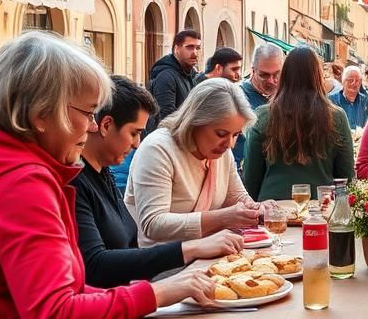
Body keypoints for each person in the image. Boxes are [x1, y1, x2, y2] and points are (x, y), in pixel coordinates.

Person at [0, 31, 216, 318]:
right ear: (41, 115)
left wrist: (157, 292)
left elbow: (57, 295)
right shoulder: (19, 183)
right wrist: (160, 292)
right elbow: (55, 310)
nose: (92, 126)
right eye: (88, 112)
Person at [75, 76, 243, 288]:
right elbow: (95, 265)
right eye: (134, 133)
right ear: (105, 125)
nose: (137, 144)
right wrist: (192, 249)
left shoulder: (102, 172)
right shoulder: (76, 180)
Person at [126, 78, 272, 247]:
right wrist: (222, 218)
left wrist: (257, 209)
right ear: (195, 122)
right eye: (221, 133)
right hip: (163, 264)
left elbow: (237, 198)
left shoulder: (221, 153)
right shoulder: (158, 149)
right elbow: (153, 223)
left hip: (209, 252)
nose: (229, 144)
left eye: (235, 135)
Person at [243, 46, 355, 201]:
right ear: (318, 75)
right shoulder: (336, 116)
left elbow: (251, 177)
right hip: (319, 207)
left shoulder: (263, 115)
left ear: (284, 74)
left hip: (272, 209)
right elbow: (346, 176)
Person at [231, 44, 284, 169]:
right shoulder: (236, 96)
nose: (271, 80)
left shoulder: (287, 96)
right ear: (253, 71)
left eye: (276, 74)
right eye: (264, 75)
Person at [146, 29, 202, 134]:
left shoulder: (191, 75)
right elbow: (167, 117)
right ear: (176, 49)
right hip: (165, 139)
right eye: (189, 47)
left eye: (197, 48)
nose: (195, 52)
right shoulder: (166, 76)